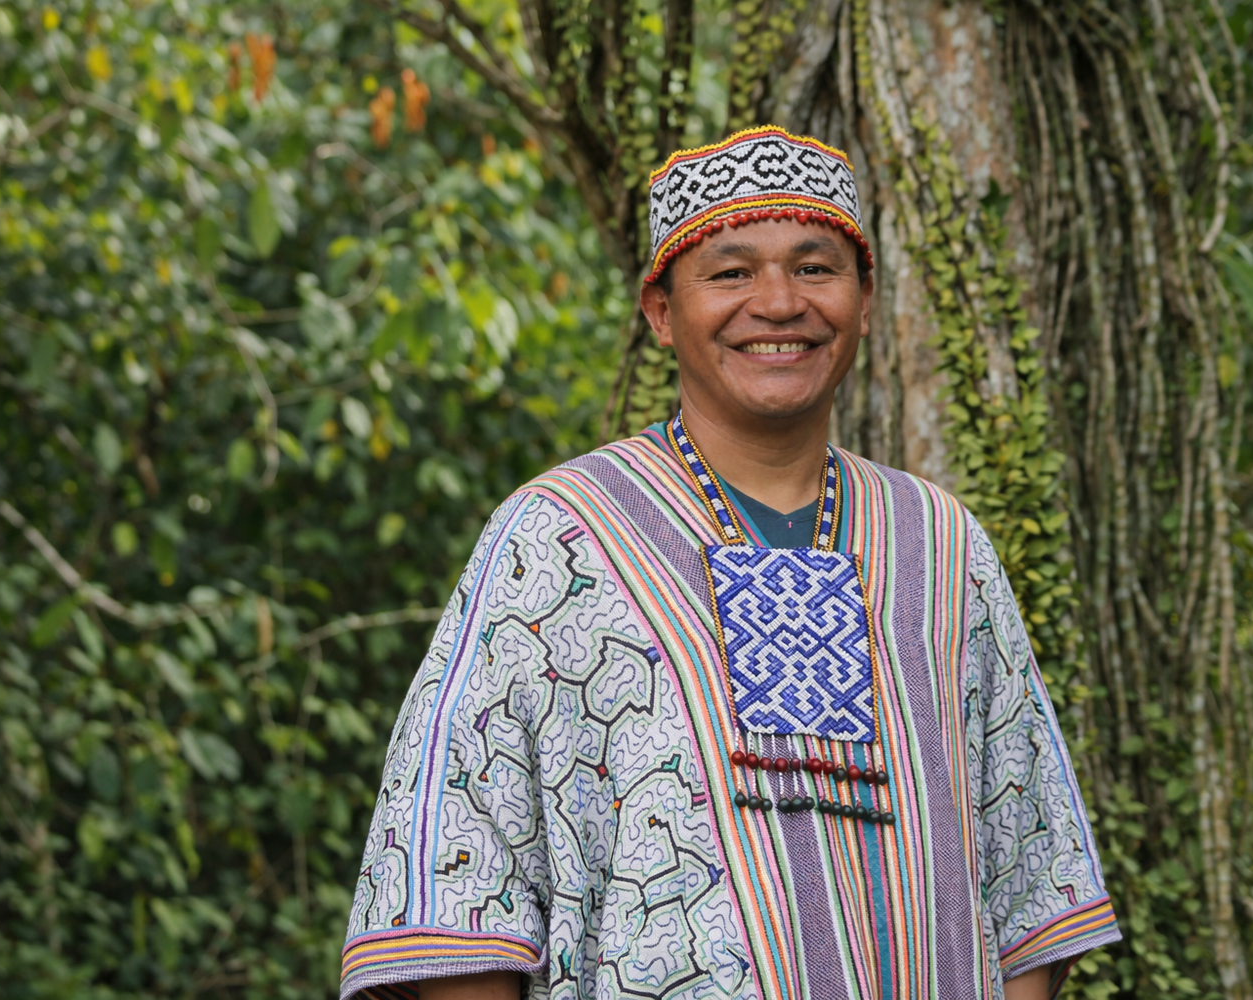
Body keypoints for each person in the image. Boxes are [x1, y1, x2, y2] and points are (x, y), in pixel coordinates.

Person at [339, 126, 1120, 1000]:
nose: (780, 303)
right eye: (731, 272)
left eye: (816, 267)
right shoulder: (557, 538)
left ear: (865, 300)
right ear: (663, 313)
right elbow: (461, 879)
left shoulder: (939, 545)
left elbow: (1030, 875)